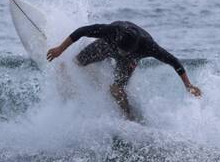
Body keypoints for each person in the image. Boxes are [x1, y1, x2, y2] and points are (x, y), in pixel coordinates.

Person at [46, 21, 201, 120]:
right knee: (76, 62)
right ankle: (80, 71)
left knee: (116, 89)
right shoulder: (112, 31)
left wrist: (188, 85)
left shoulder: (148, 46)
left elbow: (174, 62)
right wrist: (60, 48)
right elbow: (81, 31)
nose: (121, 52)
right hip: (107, 46)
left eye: (125, 51)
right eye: (122, 50)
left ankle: (128, 117)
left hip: (129, 60)